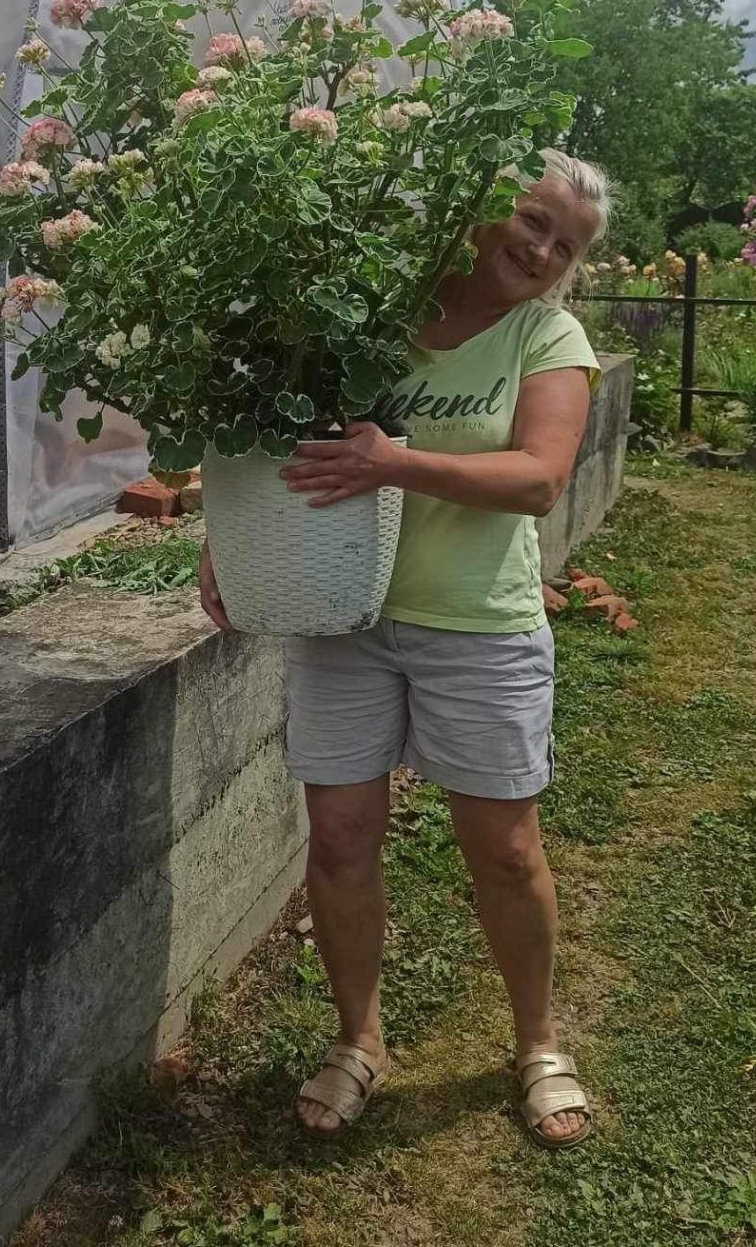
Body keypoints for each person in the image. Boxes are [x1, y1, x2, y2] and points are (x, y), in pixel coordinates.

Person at [199, 147, 611, 1150]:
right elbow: (274, 435)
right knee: (340, 835)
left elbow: (538, 478)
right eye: (535, 220)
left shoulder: (546, 336)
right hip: (345, 615)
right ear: (484, 207)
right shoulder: (368, 311)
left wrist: (395, 463)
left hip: (479, 622)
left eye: (565, 246)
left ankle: (536, 1041)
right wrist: (226, 537)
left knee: (504, 848)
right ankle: (358, 1039)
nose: (543, 250)